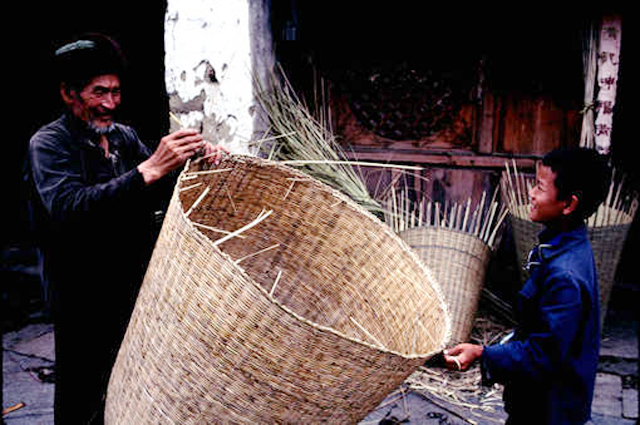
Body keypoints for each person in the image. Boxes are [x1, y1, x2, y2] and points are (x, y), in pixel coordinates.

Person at [24, 33, 227, 424]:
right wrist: (149, 168)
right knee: (83, 395)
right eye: (99, 92)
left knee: (133, 388)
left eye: (116, 92)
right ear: (69, 94)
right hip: (80, 293)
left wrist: (195, 164)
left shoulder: (122, 136)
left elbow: (157, 190)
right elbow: (69, 208)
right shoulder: (48, 144)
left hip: (131, 285)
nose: (110, 104)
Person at [444, 147, 610, 425]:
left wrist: (483, 353)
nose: (531, 194)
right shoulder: (563, 245)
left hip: (549, 410)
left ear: (568, 204)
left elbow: (542, 354)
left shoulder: (565, 276)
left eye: (540, 187)